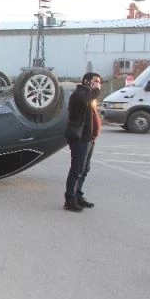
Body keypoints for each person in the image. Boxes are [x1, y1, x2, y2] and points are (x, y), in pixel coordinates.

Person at [64, 72, 102, 212]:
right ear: (87, 81)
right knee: (77, 169)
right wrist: (95, 90)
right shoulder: (80, 94)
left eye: (99, 82)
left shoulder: (89, 95)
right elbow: (84, 99)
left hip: (88, 138)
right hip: (79, 138)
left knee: (85, 169)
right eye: (95, 81)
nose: (98, 84)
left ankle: (78, 195)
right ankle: (70, 199)